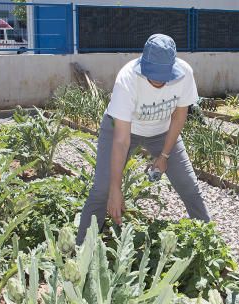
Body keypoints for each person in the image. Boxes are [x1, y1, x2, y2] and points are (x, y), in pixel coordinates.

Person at [75, 33, 210, 244]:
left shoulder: (185, 74)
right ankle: (81, 250)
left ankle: (208, 245)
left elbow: (179, 115)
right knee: (102, 190)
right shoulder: (127, 78)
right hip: (123, 129)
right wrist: (115, 189)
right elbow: (121, 140)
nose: (158, 81)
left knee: (189, 186)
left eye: (163, 75)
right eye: (153, 74)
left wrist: (164, 155)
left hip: (162, 131)